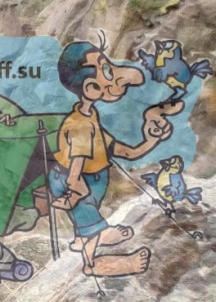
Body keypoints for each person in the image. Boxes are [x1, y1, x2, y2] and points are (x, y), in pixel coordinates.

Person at [49, 40, 185, 278]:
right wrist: (76, 190)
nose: (119, 75)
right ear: (91, 89)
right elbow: (76, 165)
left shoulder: (91, 119)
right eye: (108, 69)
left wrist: (151, 140)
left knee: (88, 227)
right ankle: (96, 264)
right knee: (95, 229)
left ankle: (84, 240)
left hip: (90, 180)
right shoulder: (79, 125)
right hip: (77, 181)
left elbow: (126, 152)